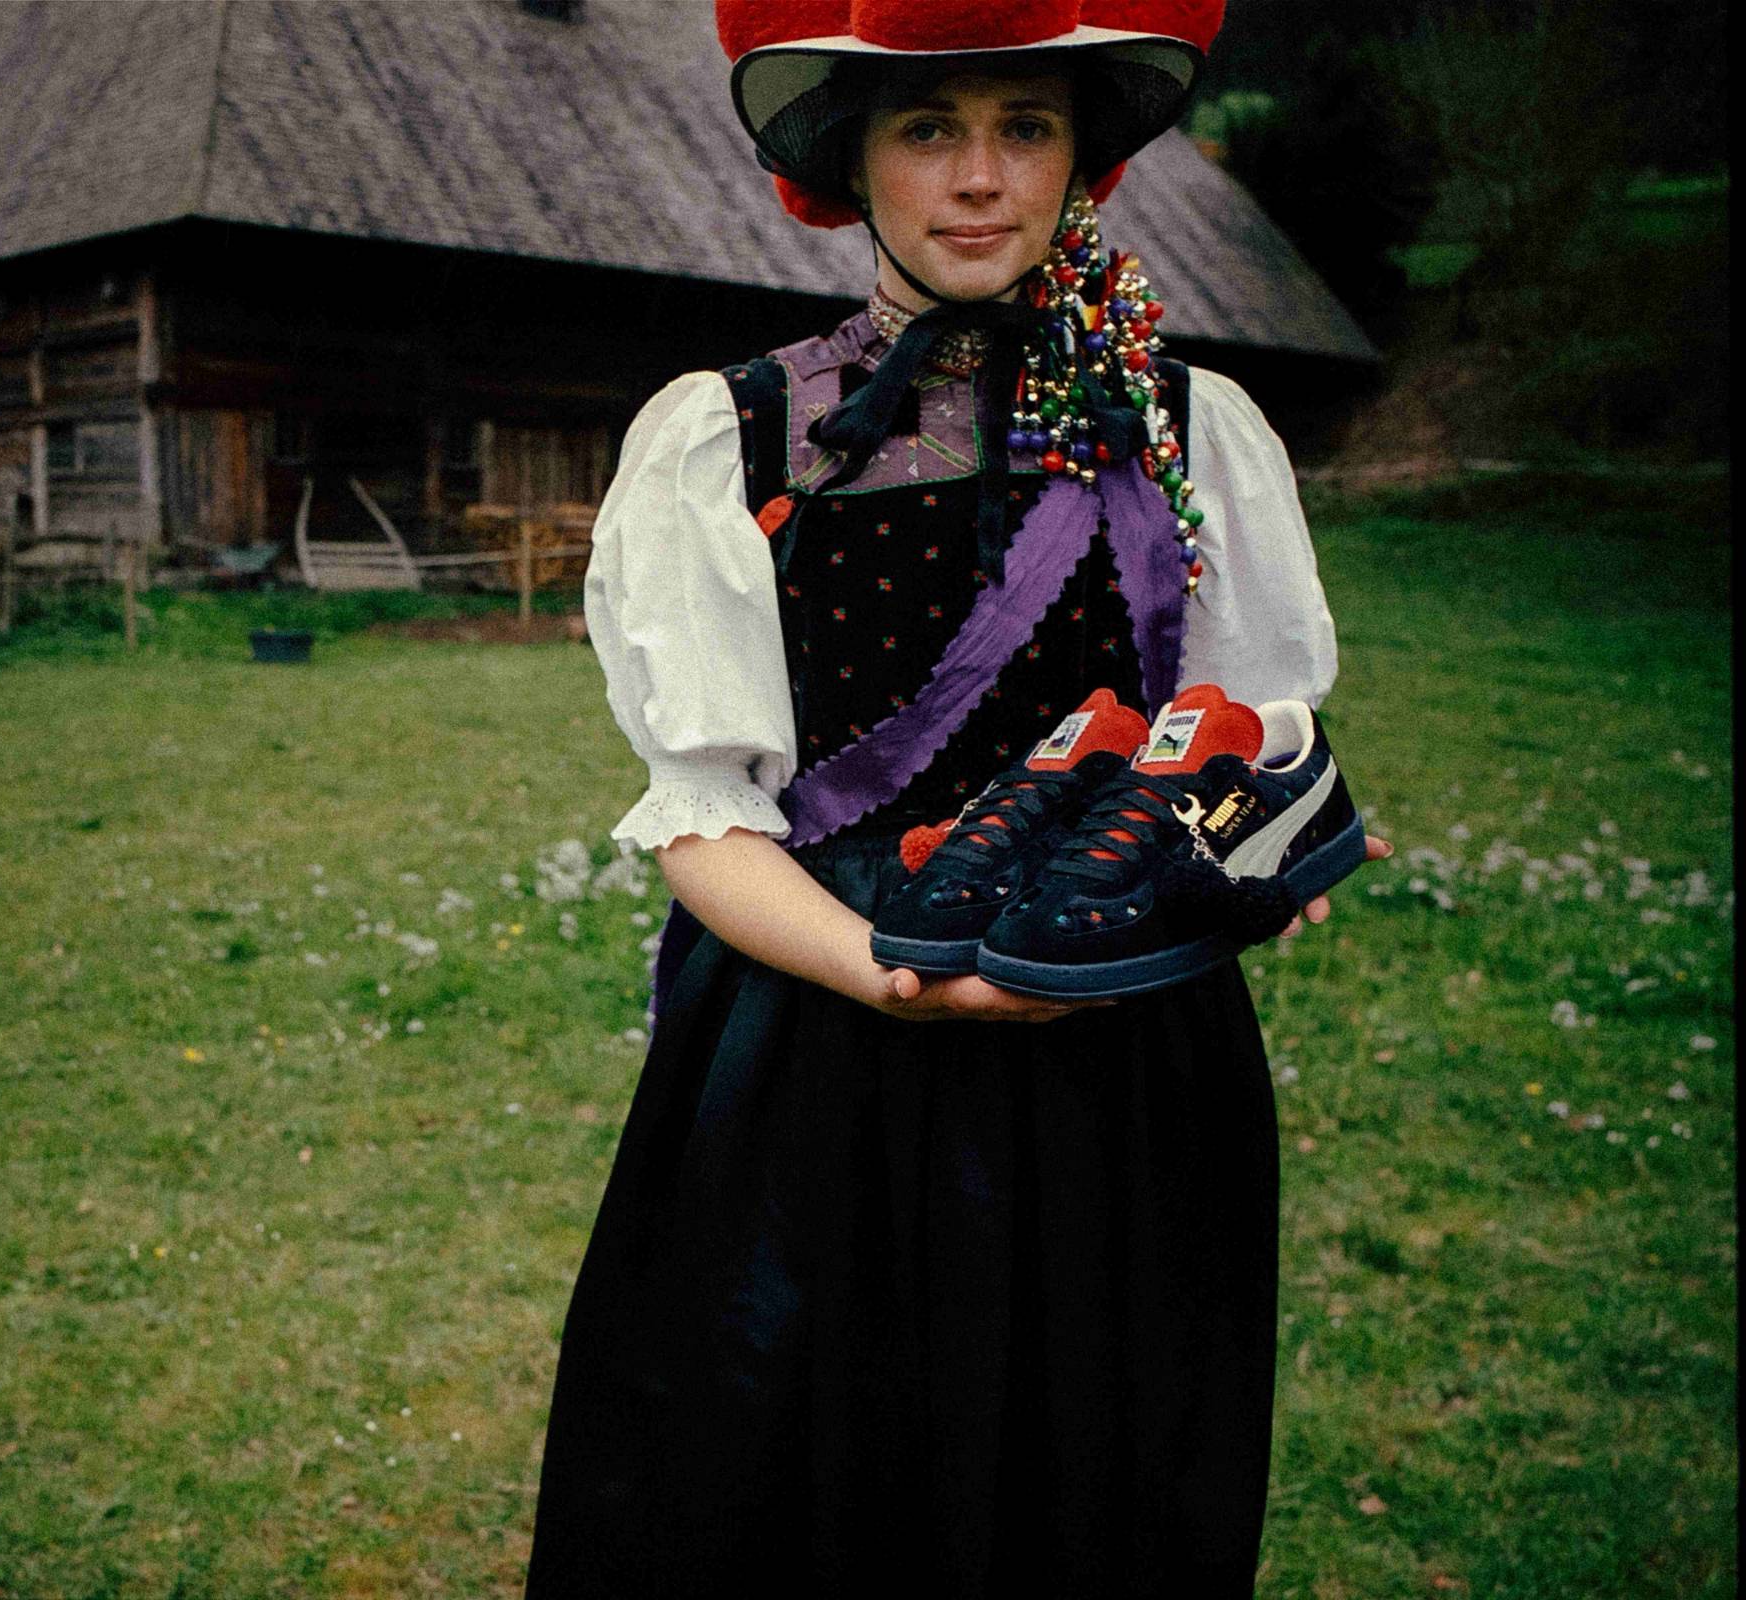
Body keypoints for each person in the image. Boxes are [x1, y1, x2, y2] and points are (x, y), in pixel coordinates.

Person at [522, 2, 1391, 1594]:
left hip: (1118, 1050)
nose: (981, 178)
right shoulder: (734, 434)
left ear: (1080, 161)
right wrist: (886, 975)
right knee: (786, 1488)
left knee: (1095, 1477)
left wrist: (1252, 847)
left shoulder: (1193, 432)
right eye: (930, 128)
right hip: (817, 1047)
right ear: (854, 163)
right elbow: (702, 814)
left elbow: (1248, 738)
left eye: (1026, 127)